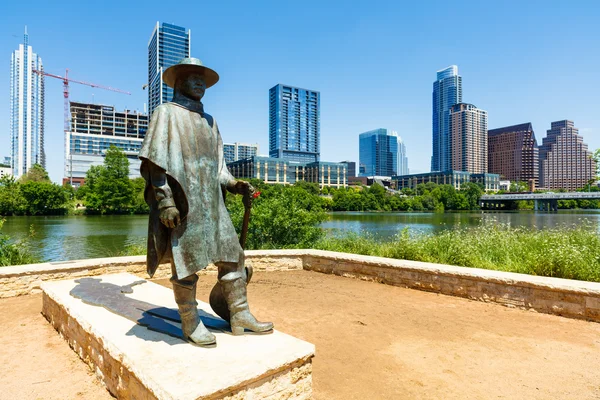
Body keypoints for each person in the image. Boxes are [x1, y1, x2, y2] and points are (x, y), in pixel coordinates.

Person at [139, 57, 273, 346]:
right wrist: (165, 202)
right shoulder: (166, 113)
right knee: (185, 264)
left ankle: (240, 315)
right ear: (178, 81)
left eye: (203, 79)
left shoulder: (210, 122)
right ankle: (190, 321)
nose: (200, 83)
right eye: (192, 77)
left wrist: (235, 184)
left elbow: (219, 168)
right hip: (185, 204)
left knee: (233, 257)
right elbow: (155, 165)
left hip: (214, 206)